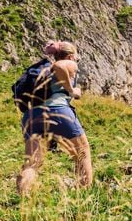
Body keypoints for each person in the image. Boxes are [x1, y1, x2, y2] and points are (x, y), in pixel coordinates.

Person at [16, 40, 93, 196]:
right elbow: (59, 67)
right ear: (70, 56)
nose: (77, 61)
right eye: (77, 58)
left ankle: (23, 201)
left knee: (32, 162)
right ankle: (84, 196)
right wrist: (72, 91)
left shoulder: (43, 70)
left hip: (32, 115)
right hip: (57, 111)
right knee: (82, 151)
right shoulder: (67, 63)